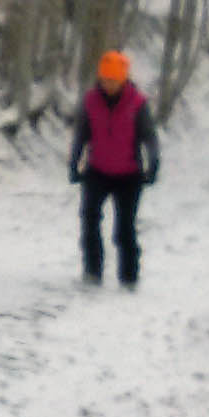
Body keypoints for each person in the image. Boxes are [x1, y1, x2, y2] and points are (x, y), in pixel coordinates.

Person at [72, 50, 161, 289]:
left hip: (128, 175)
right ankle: (92, 271)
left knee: (124, 229)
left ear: (123, 80)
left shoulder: (137, 104)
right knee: (89, 220)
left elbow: (149, 137)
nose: (108, 84)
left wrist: (153, 164)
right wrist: (74, 161)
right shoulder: (90, 101)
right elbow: (82, 133)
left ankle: (129, 277)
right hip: (97, 170)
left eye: (113, 80)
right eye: (104, 79)